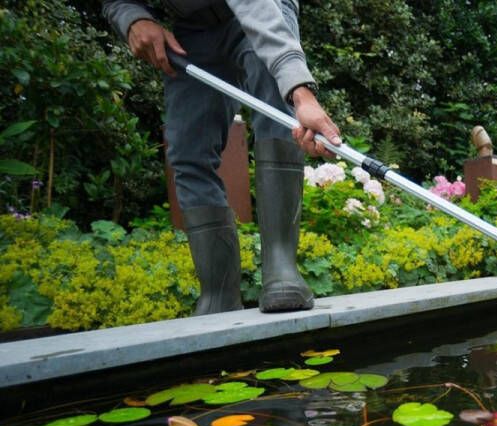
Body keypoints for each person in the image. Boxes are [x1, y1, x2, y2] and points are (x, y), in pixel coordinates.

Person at [102, 0, 342, 314]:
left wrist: (300, 92)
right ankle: (218, 293)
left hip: (263, 9)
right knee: (187, 149)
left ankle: (281, 272)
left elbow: (255, 6)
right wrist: (132, 17)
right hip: (191, 30)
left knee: (277, 112)